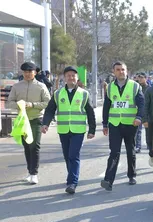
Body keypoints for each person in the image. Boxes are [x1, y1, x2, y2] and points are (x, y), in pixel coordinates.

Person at [41, 66, 96, 194]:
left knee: (73, 155)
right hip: (64, 129)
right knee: (67, 156)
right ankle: (72, 176)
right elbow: (50, 110)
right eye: (68, 75)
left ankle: (72, 182)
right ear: (64, 78)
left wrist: (92, 130)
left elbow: (90, 113)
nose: (71, 77)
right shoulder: (58, 93)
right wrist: (46, 124)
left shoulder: (84, 93)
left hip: (78, 129)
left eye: (73, 75)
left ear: (77, 78)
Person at [101, 61, 144, 191]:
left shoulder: (135, 86)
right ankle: (108, 180)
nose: (121, 72)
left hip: (130, 124)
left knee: (130, 151)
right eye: (118, 69)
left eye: (123, 69)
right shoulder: (110, 87)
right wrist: (105, 123)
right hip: (115, 124)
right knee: (114, 151)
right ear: (114, 72)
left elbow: (141, 103)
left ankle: (132, 175)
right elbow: (107, 106)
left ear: (127, 71)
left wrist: (139, 117)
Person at [6, 62, 51, 184]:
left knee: (34, 146)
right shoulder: (17, 86)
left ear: (35, 73)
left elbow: (48, 102)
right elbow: (9, 102)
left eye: (30, 72)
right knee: (26, 146)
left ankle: (34, 173)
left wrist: (32, 105)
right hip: (22, 120)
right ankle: (29, 171)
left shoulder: (41, 86)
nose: (27, 74)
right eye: (25, 72)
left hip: (36, 119)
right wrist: (19, 105)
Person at [135, 72, 149, 153]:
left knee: (148, 129)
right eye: (139, 77)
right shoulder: (136, 87)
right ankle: (138, 146)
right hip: (139, 111)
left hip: (147, 111)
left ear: (145, 78)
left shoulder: (149, 88)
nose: (140, 79)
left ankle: (149, 144)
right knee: (138, 130)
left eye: (141, 77)